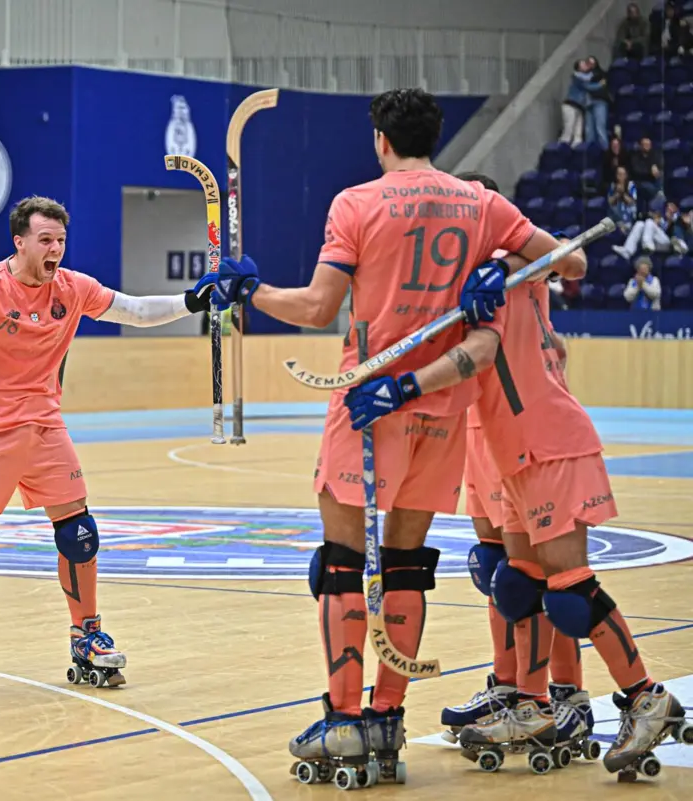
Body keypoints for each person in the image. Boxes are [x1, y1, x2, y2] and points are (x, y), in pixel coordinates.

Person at [209, 88, 581, 781]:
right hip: (441, 403)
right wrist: (500, 266)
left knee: (341, 565)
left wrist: (250, 291)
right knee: (407, 564)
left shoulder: (355, 203)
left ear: (380, 138)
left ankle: (345, 719)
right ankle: (389, 718)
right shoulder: (479, 201)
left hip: (368, 401)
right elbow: (570, 264)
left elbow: (319, 304)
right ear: (434, 136)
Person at [339, 196, 691, 779]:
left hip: (549, 440)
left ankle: (645, 697)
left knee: (570, 592)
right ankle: (531, 705)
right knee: (517, 584)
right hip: (512, 453)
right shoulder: (452, 283)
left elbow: (571, 264)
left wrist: (502, 266)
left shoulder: (512, 265)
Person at [0, 195, 224, 697]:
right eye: (45, 240)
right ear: (20, 241)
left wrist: (192, 301)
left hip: (44, 423)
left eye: (61, 241)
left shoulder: (73, 289)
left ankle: (86, 635)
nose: (55, 249)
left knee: (80, 533)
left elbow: (134, 311)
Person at [437, 174, 593, 765]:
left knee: (542, 572)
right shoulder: (458, 265)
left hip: (521, 417)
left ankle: (564, 692)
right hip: (477, 423)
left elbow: (566, 265)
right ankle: (509, 689)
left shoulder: (516, 260)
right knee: (496, 571)